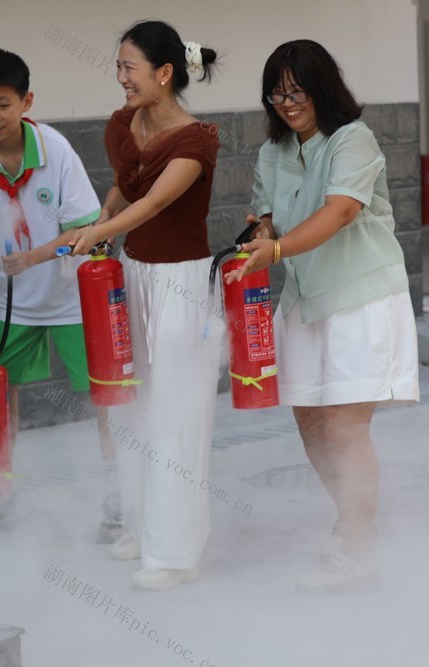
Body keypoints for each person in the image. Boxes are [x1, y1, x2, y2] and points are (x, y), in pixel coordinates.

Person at [225, 40, 420, 594]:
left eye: (298, 90)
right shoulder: (273, 152)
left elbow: (338, 212)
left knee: (345, 424)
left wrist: (277, 250)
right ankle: (355, 520)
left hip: (361, 296)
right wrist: (260, 236)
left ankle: (358, 550)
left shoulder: (353, 140)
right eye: (277, 92)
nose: (287, 102)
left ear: (323, 87)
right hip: (306, 300)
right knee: (310, 421)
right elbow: (268, 223)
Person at [69, 21, 222, 590]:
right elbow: (126, 187)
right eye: (118, 67)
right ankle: (139, 523)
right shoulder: (123, 124)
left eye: (130, 67)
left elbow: (156, 202)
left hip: (181, 283)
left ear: (164, 73)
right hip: (133, 277)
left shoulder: (197, 138)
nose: (121, 78)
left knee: (178, 413)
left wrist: (102, 228)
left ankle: (174, 553)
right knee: (130, 406)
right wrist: (99, 224)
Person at [0, 46, 116, 534]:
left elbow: (87, 235)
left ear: (26, 101)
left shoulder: (57, 150)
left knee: (105, 402)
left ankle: (119, 499)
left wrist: (35, 257)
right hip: (15, 305)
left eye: (3, 104)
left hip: (75, 301)